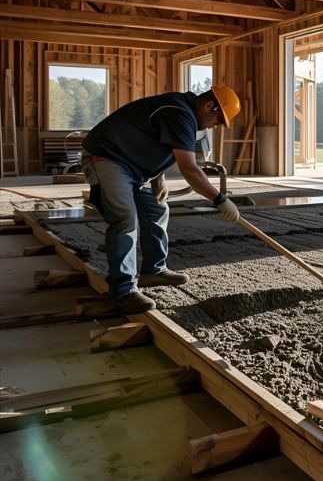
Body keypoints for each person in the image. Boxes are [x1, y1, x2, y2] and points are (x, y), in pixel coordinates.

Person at [81, 84, 243, 314]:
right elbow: (190, 169)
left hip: (133, 167)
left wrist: (157, 176)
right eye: (218, 120)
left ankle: (153, 270)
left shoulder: (183, 112)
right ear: (209, 105)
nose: (215, 126)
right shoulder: (179, 112)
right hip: (105, 157)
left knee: (157, 209)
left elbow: (155, 140)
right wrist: (219, 199)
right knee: (125, 217)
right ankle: (123, 291)